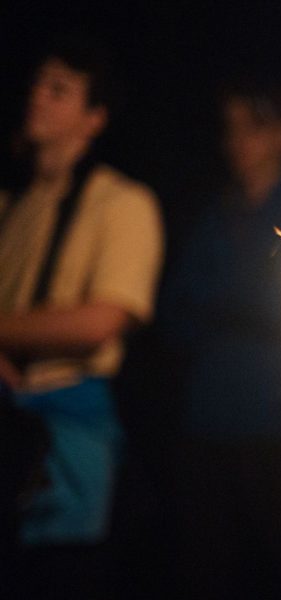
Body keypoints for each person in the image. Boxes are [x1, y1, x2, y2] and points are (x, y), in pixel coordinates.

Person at [156, 81, 281, 600]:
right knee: (210, 568)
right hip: (209, 416)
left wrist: (240, 308)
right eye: (231, 128)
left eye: (254, 127)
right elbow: (175, 311)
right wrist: (252, 309)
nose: (238, 141)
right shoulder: (214, 214)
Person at [0, 37, 163, 597]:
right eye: (37, 84)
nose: (37, 97)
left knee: (60, 575)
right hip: (8, 419)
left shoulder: (122, 203)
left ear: (94, 117)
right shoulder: (12, 204)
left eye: (59, 90)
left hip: (67, 428)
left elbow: (101, 322)